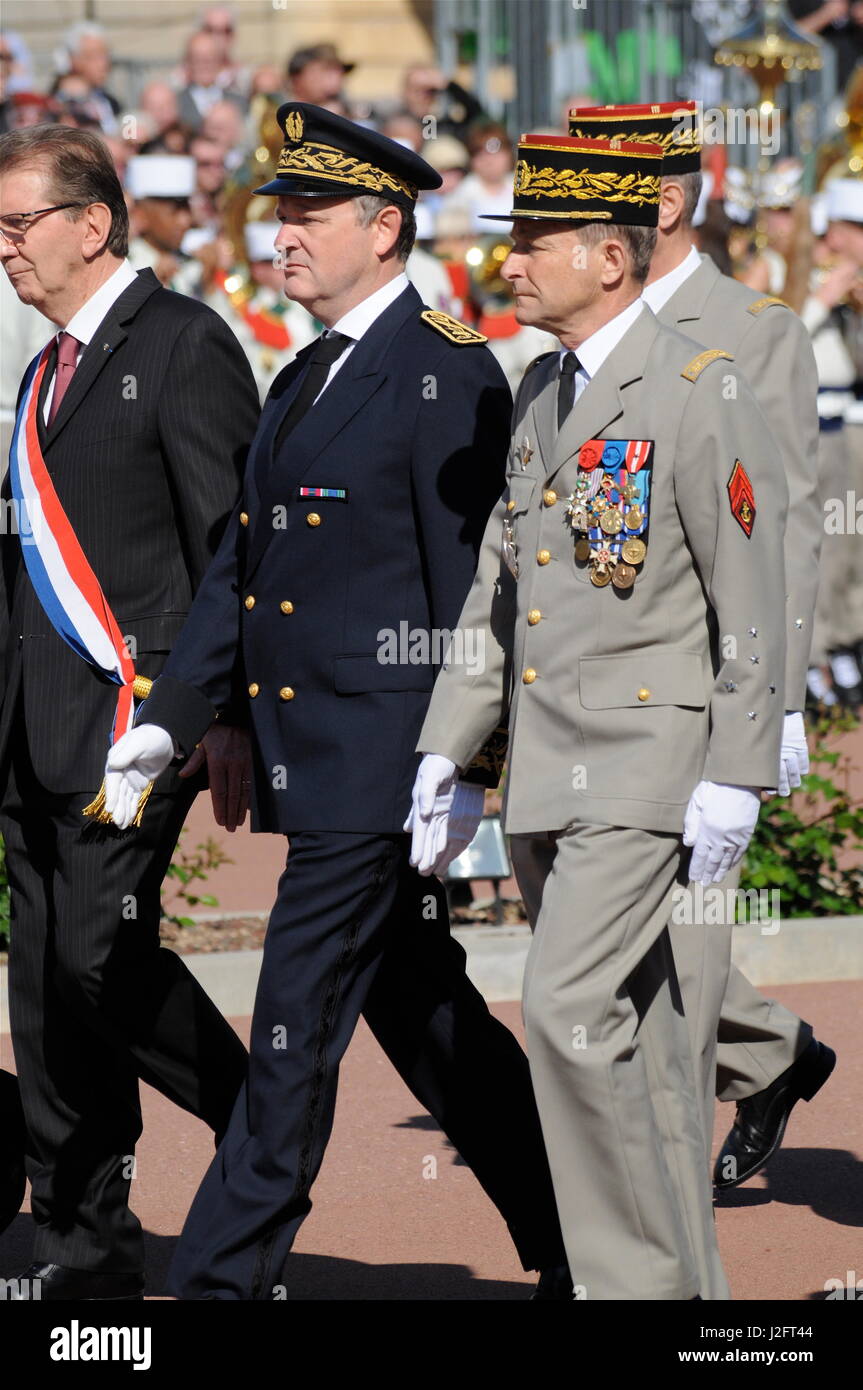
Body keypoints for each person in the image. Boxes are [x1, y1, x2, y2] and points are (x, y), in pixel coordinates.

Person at [105, 103, 569, 1302]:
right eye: (279, 214)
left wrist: (464, 764)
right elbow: (241, 573)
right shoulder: (311, 368)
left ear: (385, 225)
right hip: (320, 763)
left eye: (310, 215)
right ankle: (583, 1240)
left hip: (385, 770)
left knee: (290, 1025)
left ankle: (218, 1282)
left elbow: (475, 589)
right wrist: (174, 716)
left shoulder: (445, 369)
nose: (285, 237)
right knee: (429, 1022)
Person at [408, 130, 790, 1298]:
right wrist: (442, 747)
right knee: (654, 1053)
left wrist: (738, 766)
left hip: (647, 763)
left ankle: (615, 1286)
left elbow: (751, 584)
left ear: (608, 257)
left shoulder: (695, 382)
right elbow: (496, 587)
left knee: (566, 1008)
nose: (507, 265)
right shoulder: (541, 392)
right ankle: (686, 1301)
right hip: (547, 768)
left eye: (529, 243)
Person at [0, 124, 259, 1299]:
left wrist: (226, 716)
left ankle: (265, 1131)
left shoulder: (185, 344)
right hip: (33, 728)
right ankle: (81, 1239)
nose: (4, 248)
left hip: (136, 724)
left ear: (92, 224)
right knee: (50, 988)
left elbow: (230, 550)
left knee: (100, 961)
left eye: (19, 225)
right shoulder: (40, 367)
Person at [568, 102, 836, 1193]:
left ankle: (659, 1198)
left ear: (663, 205)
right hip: (594, 682)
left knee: (683, 923)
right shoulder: (590, 327)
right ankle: (767, 1054)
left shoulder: (751, 327)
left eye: (590, 194)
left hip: (701, 681)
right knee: (598, 928)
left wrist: (771, 698)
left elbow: (782, 522)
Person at [127, 153, 205, 297]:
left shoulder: (192, 265)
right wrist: (147, 288)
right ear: (140, 215)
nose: (185, 221)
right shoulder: (125, 267)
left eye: (187, 209)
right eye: (174, 211)